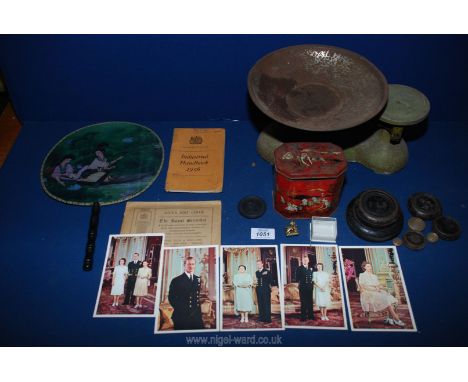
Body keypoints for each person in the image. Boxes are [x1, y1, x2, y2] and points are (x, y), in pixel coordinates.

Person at [358, 261, 405, 327]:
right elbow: (363, 286)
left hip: (377, 292)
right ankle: (397, 320)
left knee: (392, 299)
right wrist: (375, 289)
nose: (370, 267)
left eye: (370, 266)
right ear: (364, 267)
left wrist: (380, 288)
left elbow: (378, 285)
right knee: (387, 300)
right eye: (368, 266)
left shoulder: (374, 276)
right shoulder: (362, 275)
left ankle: (390, 319)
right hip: (368, 293)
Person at [168, 256, 204, 330]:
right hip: (181, 315)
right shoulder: (176, 280)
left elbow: (197, 296)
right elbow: (171, 298)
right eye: (189, 264)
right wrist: (180, 309)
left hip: (196, 316)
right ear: (185, 265)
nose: (191, 266)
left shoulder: (198, 279)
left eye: (193, 264)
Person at [296, 255, 314, 321]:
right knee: (303, 302)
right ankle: (303, 317)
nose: (305, 261)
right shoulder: (299, 268)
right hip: (303, 287)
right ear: (302, 261)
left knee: (310, 302)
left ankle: (311, 316)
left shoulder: (311, 268)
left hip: (310, 287)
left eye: (306, 260)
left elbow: (313, 278)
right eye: (304, 260)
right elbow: (297, 278)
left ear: (308, 261)